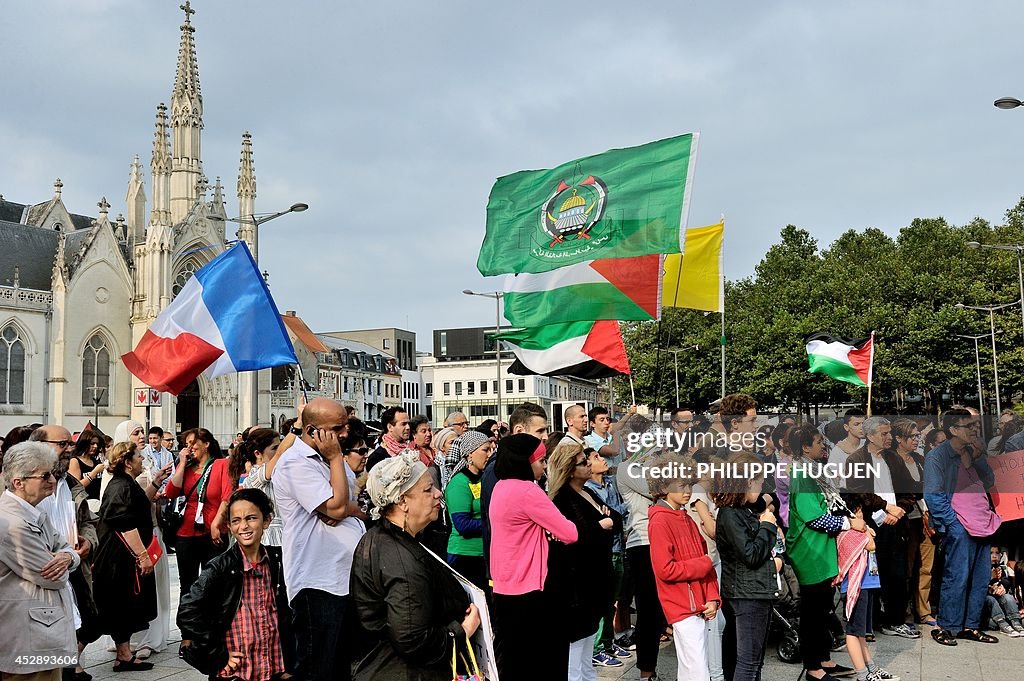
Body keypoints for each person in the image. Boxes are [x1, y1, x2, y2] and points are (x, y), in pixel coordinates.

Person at [351, 451, 481, 680]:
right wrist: (463, 631)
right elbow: (412, 639)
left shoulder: (383, 537)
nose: (438, 494)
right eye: (428, 489)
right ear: (402, 501)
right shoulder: (400, 557)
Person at [274, 398, 364, 681]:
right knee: (319, 667)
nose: (345, 433)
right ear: (313, 430)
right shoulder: (294, 463)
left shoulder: (329, 458)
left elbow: (350, 504)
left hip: (345, 577)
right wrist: (336, 459)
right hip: (318, 581)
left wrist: (342, 506)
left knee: (342, 666)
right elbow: (337, 508)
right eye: (338, 427)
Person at [177, 488, 295, 680]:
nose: (244, 526)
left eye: (251, 518)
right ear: (230, 527)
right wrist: (218, 654)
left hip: (272, 668)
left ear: (266, 520)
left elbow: (283, 614)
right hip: (237, 672)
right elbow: (188, 612)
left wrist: (289, 662)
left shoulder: (276, 561)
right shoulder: (220, 567)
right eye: (236, 521)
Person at [489, 434, 577, 680]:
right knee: (541, 660)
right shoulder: (529, 491)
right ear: (525, 462)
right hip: (530, 587)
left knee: (515, 659)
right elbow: (569, 533)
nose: (544, 466)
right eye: (541, 461)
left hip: (504, 584)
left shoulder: (500, 487)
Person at [0, 442, 80, 681]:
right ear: (18, 482)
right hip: (26, 636)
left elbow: (67, 548)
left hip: (41, 631)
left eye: (52, 474)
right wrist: (67, 562)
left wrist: (67, 557)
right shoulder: (11, 523)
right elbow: (51, 577)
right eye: (44, 475)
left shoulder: (35, 513)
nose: (52, 480)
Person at [786, 424, 860, 680]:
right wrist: (849, 523)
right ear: (805, 447)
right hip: (810, 551)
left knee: (824, 608)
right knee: (813, 612)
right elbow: (814, 517)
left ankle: (824, 659)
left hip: (822, 550)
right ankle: (813, 667)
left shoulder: (812, 470)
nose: (823, 446)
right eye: (818, 442)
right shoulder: (801, 473)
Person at [925, 408, 1001, 646]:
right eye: (969, 426)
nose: (974, 430)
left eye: (975, 426)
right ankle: (946, 626)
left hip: (983, 522)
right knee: (956, 577)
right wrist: (953, 524)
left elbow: (989, 482)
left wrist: (979, 458)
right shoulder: (938, 456)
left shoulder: (974, 452)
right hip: (960, 524)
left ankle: (971, 626)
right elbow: (933, 496)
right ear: (953, 430)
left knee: (980, 580)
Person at [31, 426, 101, 681]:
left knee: (89, 622)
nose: (69, 449)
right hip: (41, 572)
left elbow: (87, 522)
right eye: (62, 444)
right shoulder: (21, 486)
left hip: (74, 564)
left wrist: (89, 543)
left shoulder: (70, 483)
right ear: (39, 446)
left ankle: (70, 666)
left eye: (70, 444)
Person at [546, 441, 617, 681]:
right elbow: (572, 536)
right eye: (583, 462)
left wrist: (601, 525)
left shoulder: (588, 492)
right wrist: (599, 525)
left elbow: (615, 518)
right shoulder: (561, 500)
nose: (589, 464)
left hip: (595, 579)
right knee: (575, 655)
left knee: (587, 650)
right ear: (570, 469)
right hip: (576, 584)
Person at [843, 417, 918, 639]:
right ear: (870, 435)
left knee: (897, 574)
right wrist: (885, 508)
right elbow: (858, 492)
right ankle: (869, 623)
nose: (889, 438)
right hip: (871, 526)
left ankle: (895, 620)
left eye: (889, 433)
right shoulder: (856, 460)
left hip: (896, 525)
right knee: (871, 576)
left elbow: (909, 489)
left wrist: (900, 509)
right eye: (884, 434)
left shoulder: (893, 458)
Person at [93, 441, 163, 672]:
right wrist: (143, 556)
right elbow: (124, 523)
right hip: (118, 558)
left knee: (124, 607)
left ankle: (124, 655)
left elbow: (140, 503)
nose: (142, 459)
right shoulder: (120, 486)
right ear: (126, 462)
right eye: (138, 457)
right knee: (113, 607)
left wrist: (155, 482)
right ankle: (73, 661)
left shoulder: (126, 483)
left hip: (123, 557)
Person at [649, 452, 719, 681]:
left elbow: (704, 559)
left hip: (697, 603)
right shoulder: (660, 520)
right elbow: (665, 569)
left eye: (689, 483)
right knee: (697, 668)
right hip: (681, 604)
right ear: (663, 485)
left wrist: (712, 598)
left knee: (694, 668)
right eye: (681, 484)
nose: (688, 490)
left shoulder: (685, 517)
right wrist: (703, 564)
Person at [714, 451, 777, 681]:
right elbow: (750, 555)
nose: (761, 490)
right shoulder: (731, 513)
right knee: (749, 662)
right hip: (747, 593)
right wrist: (767, 526)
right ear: (749, 481)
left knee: (753, 661)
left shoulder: (741, 509)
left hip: (752, 590)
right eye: (759, 483)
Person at [835, 497, 899, 681]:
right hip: (856, 587)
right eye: (859, 512)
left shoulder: (857, 531)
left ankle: (870, 668)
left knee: (861, 631)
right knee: (854, 631)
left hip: (866, 585)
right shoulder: (847, 534)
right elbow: (871, 544)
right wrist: (865, 529)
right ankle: (862, 674)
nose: (863, 515)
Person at [616, 435, 663, 681]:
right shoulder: (627, 469)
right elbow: (655, 489)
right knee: (648, 609)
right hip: (642, 542)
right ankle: (647, 671)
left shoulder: (657, 466)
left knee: (662, 610)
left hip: (666, 539)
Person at [163, 428, 232, 597]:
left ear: (206, 444)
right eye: (186, 444)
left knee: (213, 582)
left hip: (212, 531)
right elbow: (171, 492)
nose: (189, 447)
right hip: (186, 533)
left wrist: (217, 522)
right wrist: (181, 464)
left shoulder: (221, 465)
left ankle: (211, 621)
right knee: (187, 584)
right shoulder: (187, 468)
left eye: (193, 443)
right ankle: (188, 621)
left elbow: (227, 496)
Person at [585, 447, 632, 667]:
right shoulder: (588, 489)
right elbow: (609, 517)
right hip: (605, 550)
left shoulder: (610, 483)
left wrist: (615, 514)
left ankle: (608, 642)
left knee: (613, 600)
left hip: (618, 547)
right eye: (595, 458)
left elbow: (617, 513)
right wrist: (615, 515)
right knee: (603, 600)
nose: (602, 460)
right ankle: (596, 648)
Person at [444, 430, 494, 591]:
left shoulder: (485, 479)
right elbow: (462, 525)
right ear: (470, 454)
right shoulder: (459, 483)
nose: (490, 454)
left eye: (492, 449)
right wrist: (495, 523)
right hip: (465, 557)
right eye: (485, 450)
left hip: (484, 554)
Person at [241, 428, 285, 546]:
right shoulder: (255, 476)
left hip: (285, 533)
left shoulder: (280, 472)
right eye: (274, 448)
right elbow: (267, 471)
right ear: (257, 453)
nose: (279, 452)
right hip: (267, 537)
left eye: (279, 447)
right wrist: (297, 427)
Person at [986, 546, 1024, 636]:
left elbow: (1007, 582)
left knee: (1008, 597)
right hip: (989, 609)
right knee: (990, 599)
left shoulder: (1002, 569)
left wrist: (1002, 586)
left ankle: (1015, 622)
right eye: (991, 553)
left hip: (1001, 606)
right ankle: (1003, 624)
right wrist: (990, 579)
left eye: (997, 553)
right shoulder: (981, 569)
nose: (994, 556)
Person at [366, 407, 411, 472]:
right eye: (403, 424)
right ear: (390, 427)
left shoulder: (410, 451)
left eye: (408, 423)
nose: (408, 427)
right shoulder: (377, 457)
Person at [66, 433, 105, 505]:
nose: (95, 446)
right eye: (92, 443)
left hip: (98, 502)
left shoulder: (95, 461)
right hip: (84, 503)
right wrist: (94, 472)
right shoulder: (75, 461)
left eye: (97, 444)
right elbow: (76, 487)